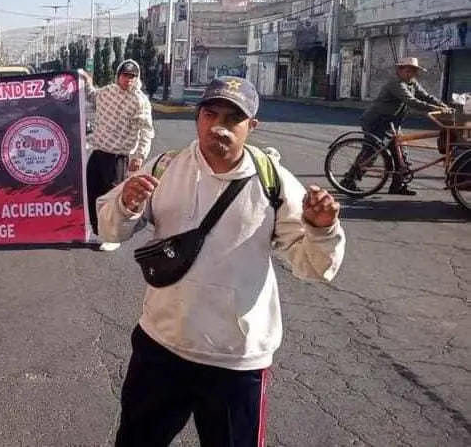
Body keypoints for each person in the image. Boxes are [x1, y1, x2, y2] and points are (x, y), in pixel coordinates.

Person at [96, 76, 345, 447]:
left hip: (235, 362)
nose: (219, 127)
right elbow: (110, 230)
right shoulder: (166, 167)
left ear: (252, 126)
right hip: (161, 346)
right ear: (198, 117)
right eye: (210, 114)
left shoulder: (273, 181)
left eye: (233, 119)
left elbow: (313, 266)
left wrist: (322, 229)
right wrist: (126, 203)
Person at [342, 57, 450, 196]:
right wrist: (434, 108)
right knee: (372, 153)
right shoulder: (395, 83)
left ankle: (398, 186)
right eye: (408, 70)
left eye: (413, 71)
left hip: (393, 123)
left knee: (401, 154)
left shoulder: (411, 83)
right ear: (400, 70)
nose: (411, 73)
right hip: (377, 121)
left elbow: (426, 96)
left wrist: (443, 106)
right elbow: (412, 101)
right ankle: (349, 180)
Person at [78, 60, 155, 252]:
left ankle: (113, 236)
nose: (127, 80)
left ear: (137, 79)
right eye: (124, 75)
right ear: (118, 75)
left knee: (113, 197)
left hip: (118, 157)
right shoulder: (107, 93)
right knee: (93, 194)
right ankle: (98, 231)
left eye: (132, 76)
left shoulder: (139, 101)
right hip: (98, 152)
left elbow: (146, 131)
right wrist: (85, 79)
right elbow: (91, 96)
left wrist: (139, 155)